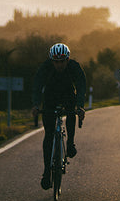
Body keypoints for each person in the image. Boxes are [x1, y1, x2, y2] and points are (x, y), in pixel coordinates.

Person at [32, 43, 86, 190]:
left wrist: (80, 106)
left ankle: (70, 144)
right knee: (49, 134)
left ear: (67, 60)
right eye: (56, 61)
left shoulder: (74, 66)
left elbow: (81, 85)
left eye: (62, 61)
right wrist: (36, 105)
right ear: (51, 61)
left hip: (68, 95)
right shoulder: (46, 67)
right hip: (50, 97)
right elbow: (37, 85)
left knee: (70, 114)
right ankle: (46, 172)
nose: (59, 65)